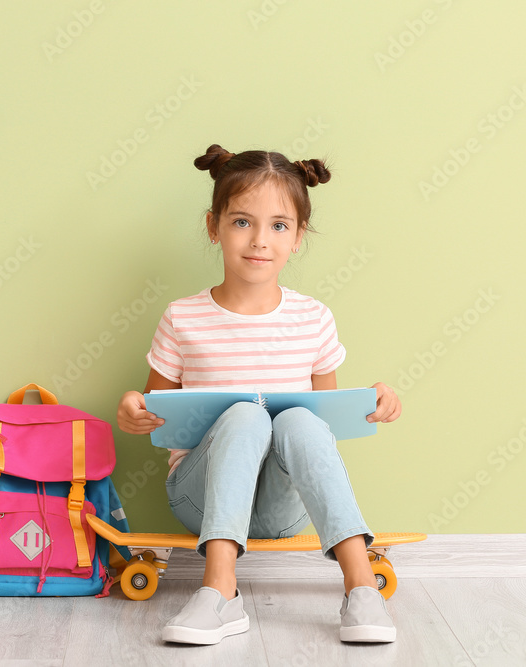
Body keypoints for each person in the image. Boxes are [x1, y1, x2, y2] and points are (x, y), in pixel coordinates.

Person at [116, 144, 403, 646]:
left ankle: (362, 590)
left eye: (278, 226)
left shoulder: (312, 318)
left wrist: (373, 399)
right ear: (215, 227)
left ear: (297, 238)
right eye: (242, 222)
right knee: (246, 416)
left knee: (298, 423)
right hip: (199, 497)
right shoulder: (183, 317)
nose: (259, 241)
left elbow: (323, 425)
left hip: (279, 506)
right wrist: (133, 410)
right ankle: (220, 592)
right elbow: (153, 411)